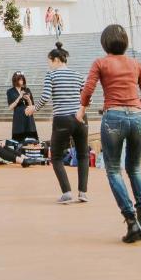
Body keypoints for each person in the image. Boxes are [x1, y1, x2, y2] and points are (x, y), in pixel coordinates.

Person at [82, 24, 141, 243]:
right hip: (138, 117)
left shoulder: (101, 62)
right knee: (134, 168)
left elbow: (88, 90)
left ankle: (131, 221)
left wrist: (82, 107)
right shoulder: (136, 63)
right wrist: (136, 108)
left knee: (113, 170)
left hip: (113, 117)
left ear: (105, 44)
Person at [26, 42, 88, 203]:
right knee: (83, 155)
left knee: (57, 156)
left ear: (56, 60)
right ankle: (83, 193)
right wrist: (81, 111)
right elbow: (88, 97)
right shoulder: (77, 75)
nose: (49, 65)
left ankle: (67, 192)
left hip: (62, 119)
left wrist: (34, 108)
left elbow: (46, 96)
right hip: (80, 118)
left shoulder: (51, 75)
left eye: (49, 61)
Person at [7, 71, 39, 142]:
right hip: (18, 118)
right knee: (18, 141)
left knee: (31, 140)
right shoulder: (10, 91)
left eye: (22, 79)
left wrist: (28, 99)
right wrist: (19, 97)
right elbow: (10, 107)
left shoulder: (27, 90)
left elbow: (32, 106)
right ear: (15, 80)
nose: (21, 81)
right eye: (20, 79)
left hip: (28, 117)